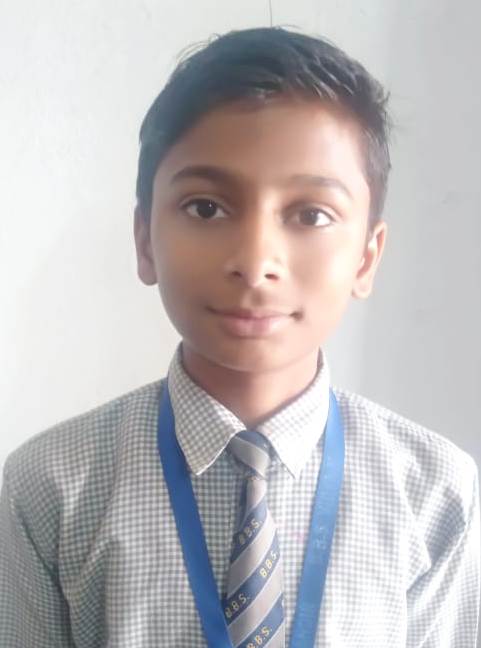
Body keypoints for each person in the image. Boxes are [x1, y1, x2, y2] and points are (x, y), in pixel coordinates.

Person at [0, 26, 479, 648]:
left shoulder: (436, 494)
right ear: (145, 240)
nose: (255, 263)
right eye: (206, 207)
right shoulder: (49, 487)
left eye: (311, 214)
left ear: (366, 257)